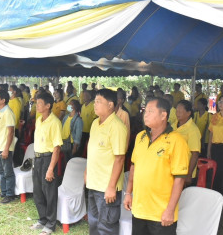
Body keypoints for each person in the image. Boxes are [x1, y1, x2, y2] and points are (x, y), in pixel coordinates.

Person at [123, 97, 190, 235]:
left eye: (150, 111)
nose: (145, 114)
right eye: (145, 111)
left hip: (161, 213)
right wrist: (128, 193)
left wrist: (170, 210)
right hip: (139, 209)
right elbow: (134, 167)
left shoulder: (176, 140)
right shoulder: (140, 136)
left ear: (163, 115)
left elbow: (179, 180)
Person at [85, 89, 127, 235]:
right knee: (93, 223)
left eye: (98, 101)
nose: (94, 104)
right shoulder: (95, 123)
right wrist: (86, 172)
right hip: (93, 182)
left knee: (106, 227)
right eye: (94, 101)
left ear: (110, 105)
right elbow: (92, 152)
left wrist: (111, 187)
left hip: (106, 187)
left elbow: (120, 158)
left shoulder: (117, 126)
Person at [30, 92, 62, 235]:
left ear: (48, 106)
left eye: (40, 103)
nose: (37, 106)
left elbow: (57, 148)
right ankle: (42, 219)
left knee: (49, 192)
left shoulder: (55, 122)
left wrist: (50, 168)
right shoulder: (38, 120)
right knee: (37, 191)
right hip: (37, 158)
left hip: (48, 158)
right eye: (37, 103)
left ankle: (50, 223)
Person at [0, 90, 17, 203]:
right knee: (1, 171)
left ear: (3, 100)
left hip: (4, 146)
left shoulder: (8, 113)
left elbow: (10, 132)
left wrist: (6, 148)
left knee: (7, 171)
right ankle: (4, 192)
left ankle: (10, 194)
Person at [175, 100, 201, 186]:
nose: (177, 113)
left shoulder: (193, 130)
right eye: (177, 111)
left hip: (184, 171)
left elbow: (195, 154)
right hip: (173, 168)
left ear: (188, 113)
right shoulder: (173, 125)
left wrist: (189, 174)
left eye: (180, 111)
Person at [61, 99, 83, 165]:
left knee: (71, 161)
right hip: (64, 142)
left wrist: (75, 147)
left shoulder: (78, 120)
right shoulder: (66, 117)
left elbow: (78, 135)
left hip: (71, 144)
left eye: (70, 105)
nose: (68, 106)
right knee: (65, 160)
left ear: (75, 107)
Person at [77, 90, 97, 157]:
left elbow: (95, 119)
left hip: (90, 131)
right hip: (83, 130)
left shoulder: (93, 106)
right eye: (83, 96)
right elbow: (81, 118)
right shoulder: (83, 106)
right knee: (81, 146)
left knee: (90, 146)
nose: (83, 98)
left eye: (85, 96)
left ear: (90, 97)